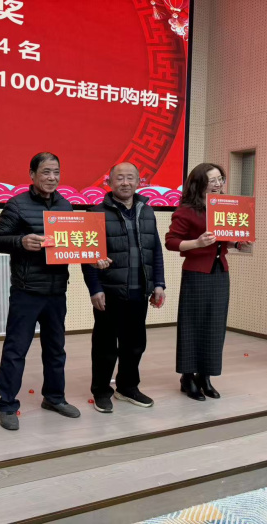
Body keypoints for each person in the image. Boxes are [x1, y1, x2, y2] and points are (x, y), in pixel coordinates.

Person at [0, 152, 81, 431]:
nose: (52, 178)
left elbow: (73, 243)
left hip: (56, 291)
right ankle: (7, 405)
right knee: (16, 349)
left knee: (55, 349)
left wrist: (92, 255)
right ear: (32, 175)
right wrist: (20, 241)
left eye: (56, 172)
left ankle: (54, 398)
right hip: (27, 291)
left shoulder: (65, 206)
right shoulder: (17, 204)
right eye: (46, 172)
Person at [82, 162, 166, 414]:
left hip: (139, 291)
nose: (125, 183)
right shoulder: (95, 213)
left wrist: (159, 284)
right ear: (109, 182)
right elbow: (87, 256)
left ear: (139, 182)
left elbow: (156, 250)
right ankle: (101, 391)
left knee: (135, 344)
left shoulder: (147, 211)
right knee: (105, 346)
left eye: (131, 178)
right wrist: (94, 288)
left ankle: (127, 387)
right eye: (120, 178)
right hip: (109, 292)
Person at [165, 163, 250, 401]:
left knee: (215, 326)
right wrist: (197, 243)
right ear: (199, 183)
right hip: (196, 273)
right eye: (212, 180)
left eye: (220, 179)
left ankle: (205, 376)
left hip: (220, 272)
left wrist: (239, 243)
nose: (218, 184)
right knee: (192, 325)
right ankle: (187, 377)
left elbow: (224, 239)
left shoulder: (225, 206)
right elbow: (171, 241)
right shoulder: (186, 211)